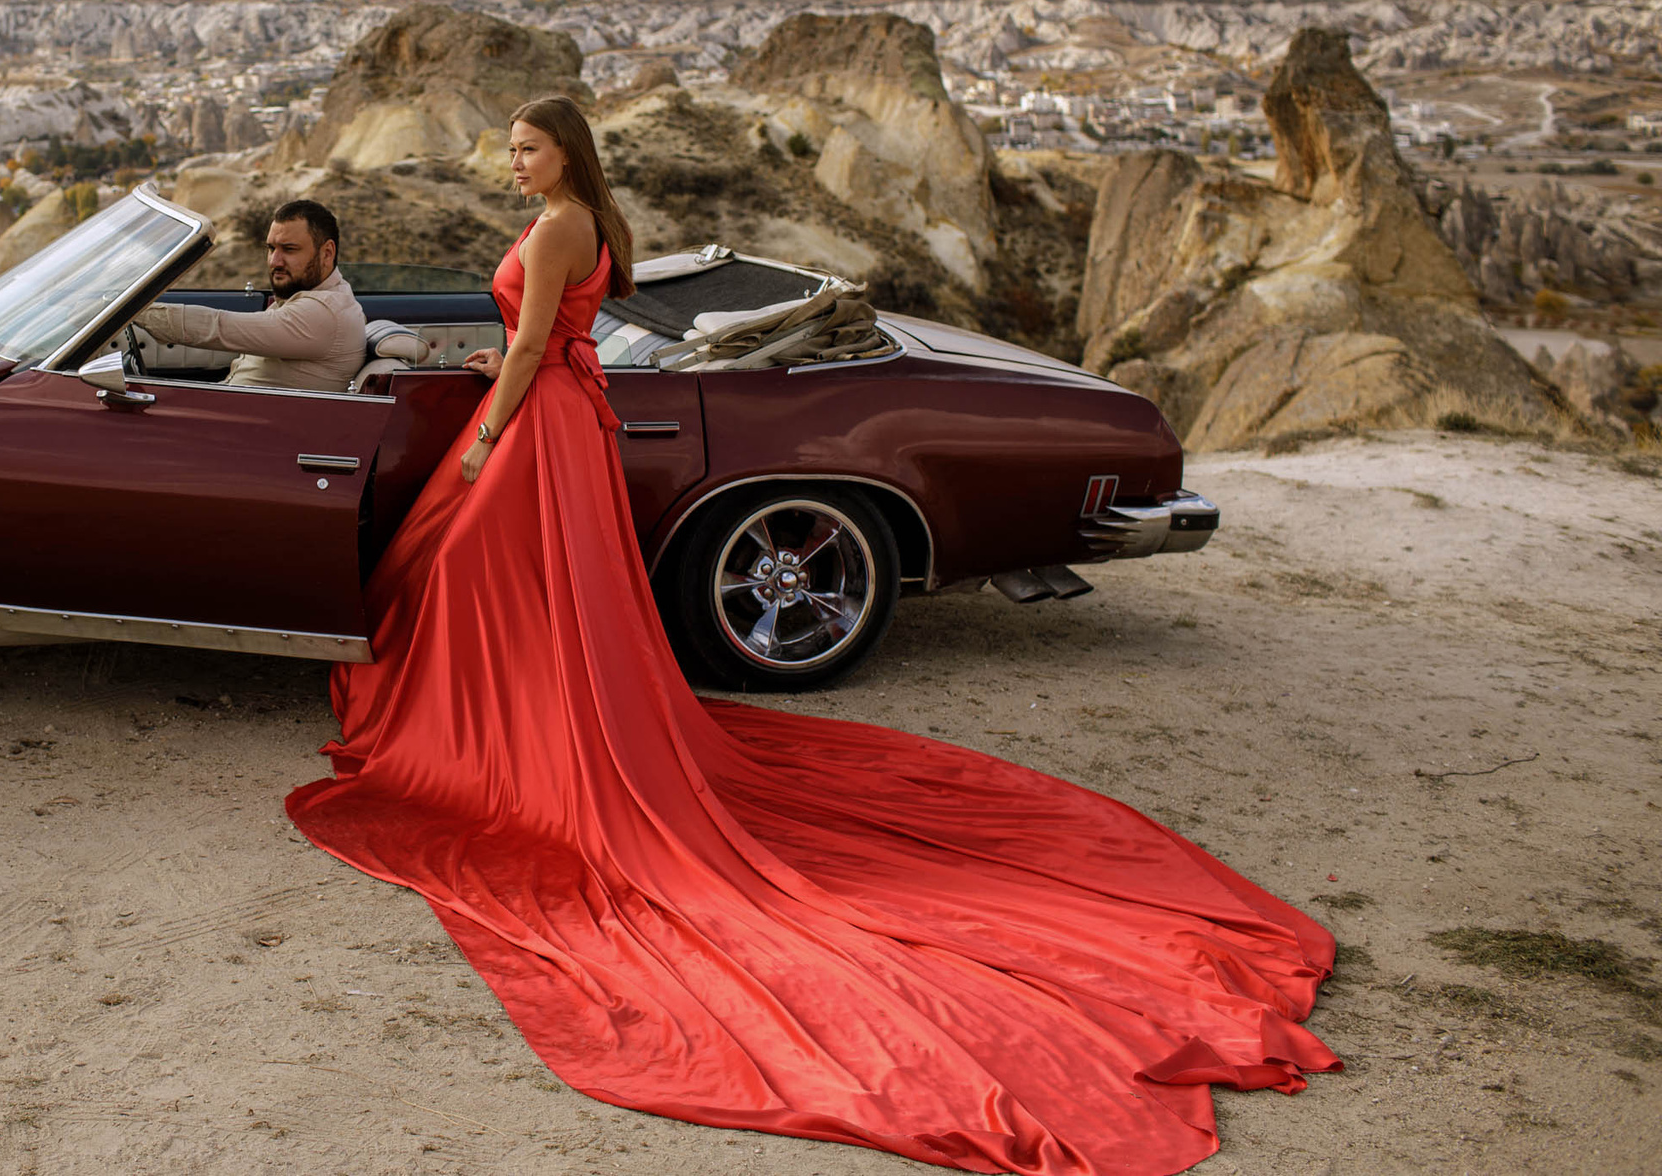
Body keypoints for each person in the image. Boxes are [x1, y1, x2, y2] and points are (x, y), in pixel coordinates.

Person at [286, 96, 1337, 1176]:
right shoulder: (589, 219)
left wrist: (483, 436)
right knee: (537, 582)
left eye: (528, 148)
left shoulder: (559, 227)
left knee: (474, 564)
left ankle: (497, 720)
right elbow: (546, 335)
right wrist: (505, 371)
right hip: (566, 408)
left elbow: (528, 349)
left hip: (540, 421)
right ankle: (533, 699)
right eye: (510, 148)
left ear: (567, 153)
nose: (513, 162)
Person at [136, 198, 367, 391]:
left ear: (327, 253)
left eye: (289, 249)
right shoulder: (313, 296)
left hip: (252, 427)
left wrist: (134, 311)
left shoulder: (324, 312)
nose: (275, 261)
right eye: (271, 248)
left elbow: (219, 328)